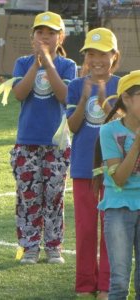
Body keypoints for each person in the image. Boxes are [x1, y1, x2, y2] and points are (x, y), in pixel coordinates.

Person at [10, 11, 77, 264]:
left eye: (51, 33)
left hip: (57, 144)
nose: (45, 37)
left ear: (61, 37)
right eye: (40, 32)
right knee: (28, 198)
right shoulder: (23, 62)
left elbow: (65, 96)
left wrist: (49, 63)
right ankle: (29, 247)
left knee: (54, 197)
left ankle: (53, 246)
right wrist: (37, 64)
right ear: (32, 36)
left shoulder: (67, 65)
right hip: (27, 141)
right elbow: (19, 93)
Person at [66, 27, 120, 299]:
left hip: (114, 170)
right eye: (91, 54)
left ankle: (107, 285)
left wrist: (103, 98)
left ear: (114, 56)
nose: (97, 59)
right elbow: (73, 126)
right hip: (83, 167)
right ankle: (85, 284)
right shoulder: (76, 85)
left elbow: (123, 127)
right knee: (86, 230)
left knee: (110, 228)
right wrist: (85, 98)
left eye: (103, 54)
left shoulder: (123, 86)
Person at [94, 70, 140, 299]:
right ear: (127, 99)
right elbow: (119, 179)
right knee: (120, 281)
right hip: (119, 207)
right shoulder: (109, 131)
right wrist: (137, 143)